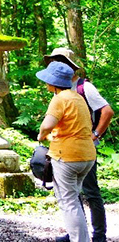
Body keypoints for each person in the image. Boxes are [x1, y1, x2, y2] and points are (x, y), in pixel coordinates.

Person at [44, 48, 114, 242]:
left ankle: (98, 236)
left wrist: (96, 134)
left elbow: (107, 111)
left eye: (59, 61)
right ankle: (75, 234)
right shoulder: (60, 90)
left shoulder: (85, 87)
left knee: (90, 193)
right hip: (66, 149)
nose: (55, 64)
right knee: (73, 195)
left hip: (84, 148)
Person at [36, 59, 96, 242]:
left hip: (67, 157)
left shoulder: (59, 99)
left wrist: (40, 135)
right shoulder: (78, 97)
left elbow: (48, 124)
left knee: (69, 203)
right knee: (74, 201)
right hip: (87, 156)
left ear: (53, 83)